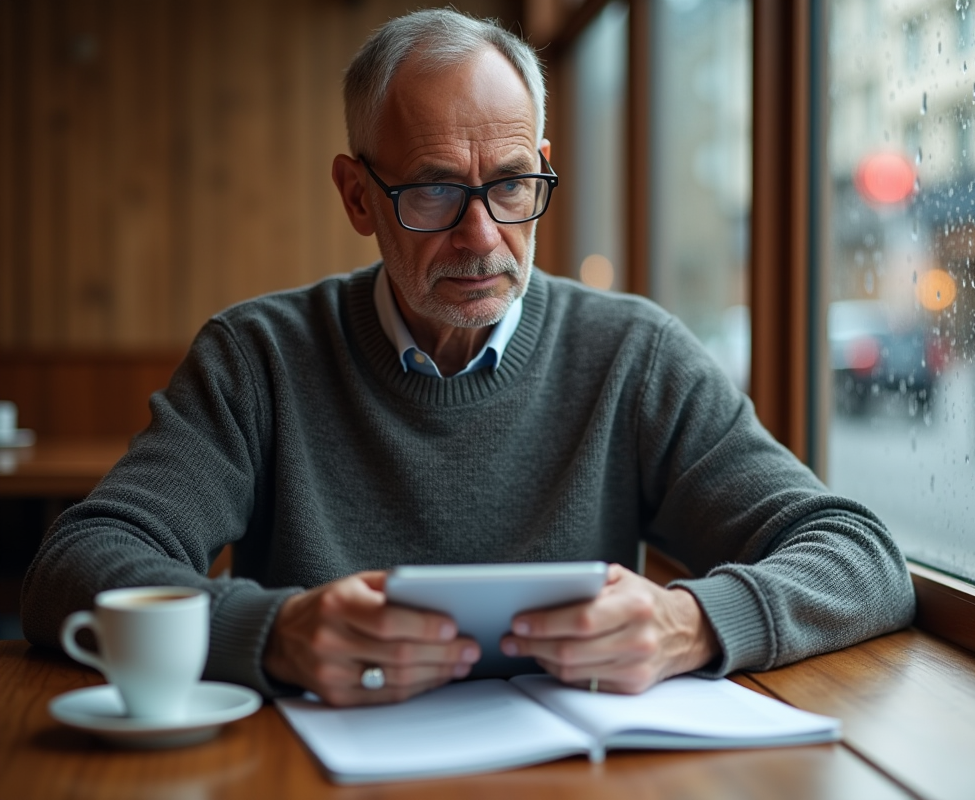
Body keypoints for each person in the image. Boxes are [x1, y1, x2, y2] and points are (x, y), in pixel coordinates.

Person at [21, 8, 915, 707]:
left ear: (542, 169)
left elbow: (860, 556)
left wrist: (691, 622)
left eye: (513, 184)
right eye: (437, 189)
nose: (482, 237)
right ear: (357, 195)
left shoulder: (632, 356)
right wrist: (274, 631)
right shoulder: (258, 359)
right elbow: (77, 564)